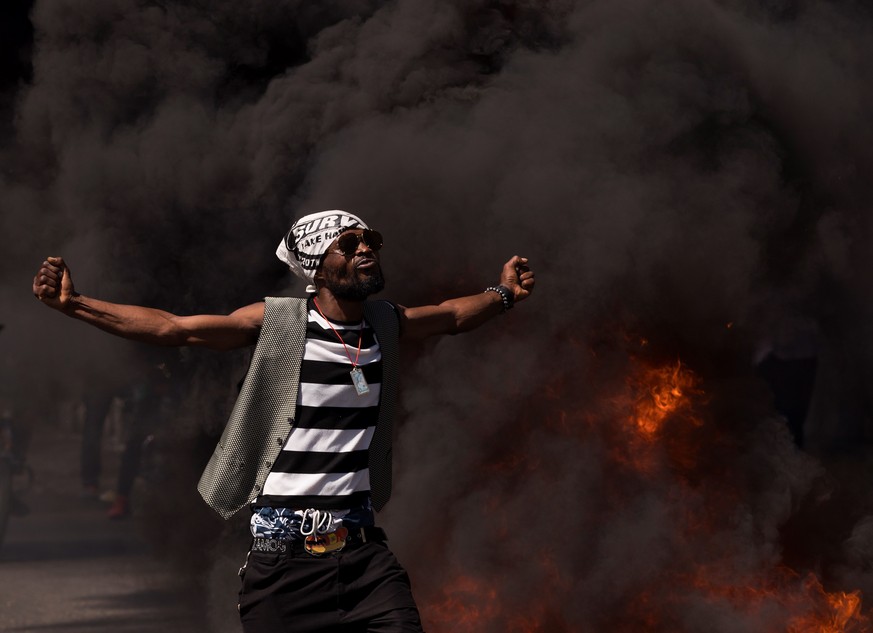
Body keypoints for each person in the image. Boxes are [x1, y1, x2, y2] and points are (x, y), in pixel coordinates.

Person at [32, 209, 535, 632]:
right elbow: (173, 329)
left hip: (365, 559)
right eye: (349, 244)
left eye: (370, 242)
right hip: (284, 566)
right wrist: (75, 304)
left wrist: (504, 293)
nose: (366, 250)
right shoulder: (278, 321)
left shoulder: (385, 321)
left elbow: (449, 316)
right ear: (317, 266)